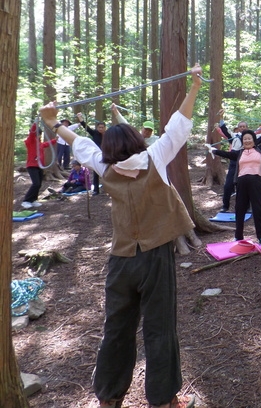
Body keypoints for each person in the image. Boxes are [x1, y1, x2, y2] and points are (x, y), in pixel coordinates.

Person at [40, 65, 204, 408]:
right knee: (160, 328)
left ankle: (109, 398)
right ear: (136, 141)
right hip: (155, 258)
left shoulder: (105, 166)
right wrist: (195, 86)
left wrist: (52, 121)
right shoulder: (154, 158)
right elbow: (178, 125)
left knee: (116, 328)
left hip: (120, 259)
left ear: (111, 148)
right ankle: (164, 400)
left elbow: (81, 144)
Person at [210, 125, 261, 245]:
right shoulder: (239, 153)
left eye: (249, 138)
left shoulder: (260, 149)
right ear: (242, 141)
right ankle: (238, 236)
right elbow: (227, 154)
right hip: (241, 183)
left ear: (254, 140)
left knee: (258, 209)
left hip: (256, 182)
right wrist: (213, 151)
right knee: (240, 209)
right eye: (245, 139)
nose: (247, 141)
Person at [216, 119, 261, 213]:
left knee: (245, 185)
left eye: (244, 126)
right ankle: (225, 206)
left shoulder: (251, 137)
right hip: (234, 162)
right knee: (228, 185)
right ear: (238, 128)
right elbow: (225, 130)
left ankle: (247, 207)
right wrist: (221, 119)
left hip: (246, 163)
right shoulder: (234, 136)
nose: (242, 128)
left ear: (247, 128)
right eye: (241, 126)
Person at [21, 122, 57, 209]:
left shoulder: (39, 143)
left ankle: (33, 200)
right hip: (32, 166)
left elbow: (46, 144)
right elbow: (32, 133)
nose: (39, 136)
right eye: (38, 134)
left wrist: (55, 140)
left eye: (40, 135)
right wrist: (35, 124)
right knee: (35, 183)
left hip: (39, 166)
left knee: (39, 184)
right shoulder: (31, 141)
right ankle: (26, 201)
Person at [76, 112, 106, 195]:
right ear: (97, 128)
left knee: (107, 172)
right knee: (96, 173)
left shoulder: (108, 135)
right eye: (99, 127)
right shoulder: (94, 133)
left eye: (102, 127)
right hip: (96, 156)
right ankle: (96, 190)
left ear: (105, 128)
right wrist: (80, 117)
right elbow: (86, 127)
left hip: (106, 155)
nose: (101, 129)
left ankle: (109, 188)